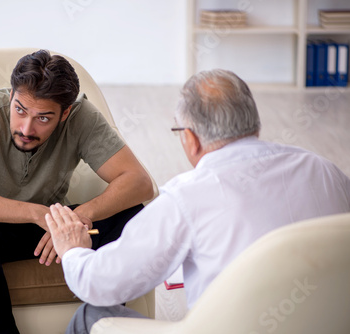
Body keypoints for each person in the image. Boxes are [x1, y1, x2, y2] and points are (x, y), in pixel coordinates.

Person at [45, 69, 350, 334]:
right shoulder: (326, 170)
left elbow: (100, 284)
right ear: (253, 124)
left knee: (90, 316)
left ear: (190, 138)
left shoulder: (186, 198)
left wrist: (73, 249)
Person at [0, 49, 154, 334]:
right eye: (19, 110)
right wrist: (38, 214)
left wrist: (75, 218)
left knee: (134, 217)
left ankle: (98, 323)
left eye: (43, 118)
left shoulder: (81, 116)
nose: (26, 128)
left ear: (65, 113)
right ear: (12, 94)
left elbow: (139, 182)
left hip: (56, 232)